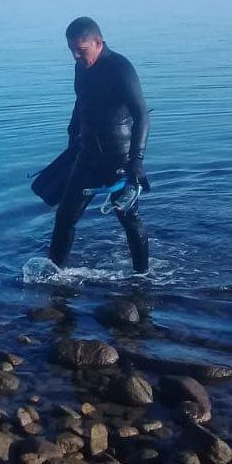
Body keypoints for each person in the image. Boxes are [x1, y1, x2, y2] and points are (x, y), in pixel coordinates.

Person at [42, 16, 151, 273]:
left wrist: (136, 160)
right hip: (87, 155)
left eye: (80, 50)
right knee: (65, 217)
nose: (75, 57)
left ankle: (143, 278)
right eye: (71, 50)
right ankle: (54, 274)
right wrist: (72, 132)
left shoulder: (120, 68)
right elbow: (81, 100)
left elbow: (142, 115)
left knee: (129, 219)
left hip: (119, 159)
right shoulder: (81, 66)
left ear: (98, 42)